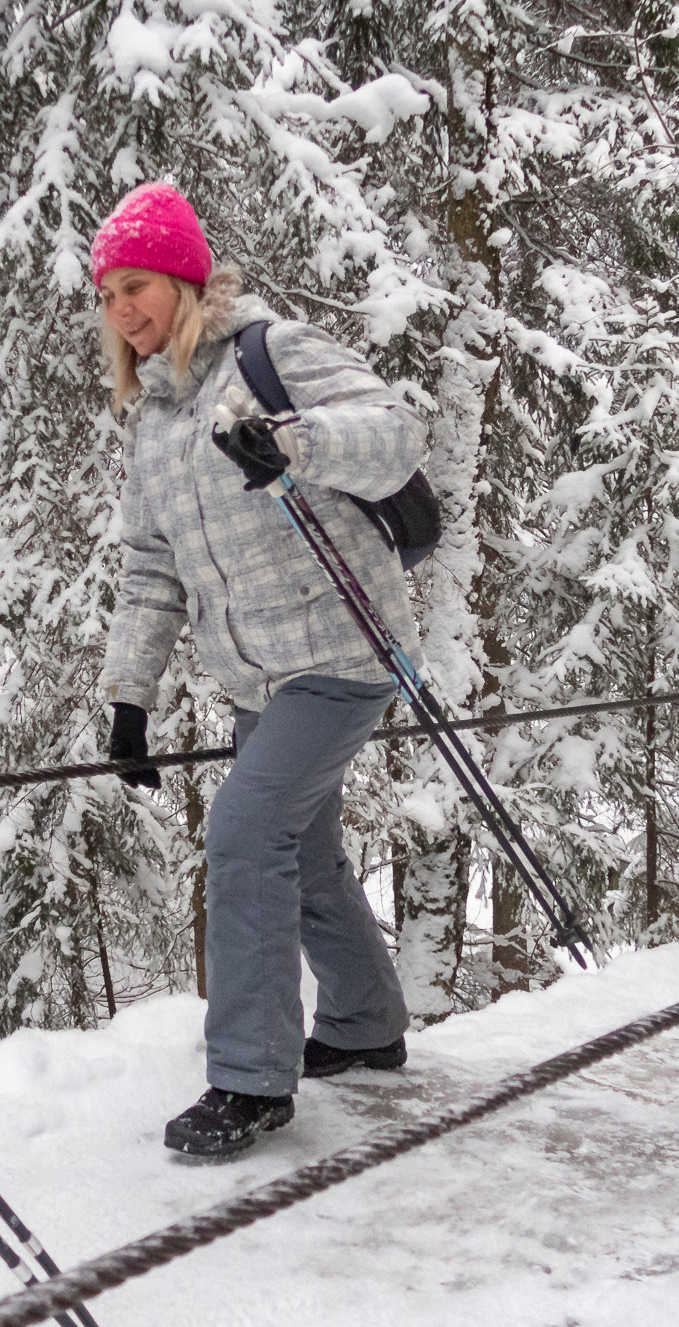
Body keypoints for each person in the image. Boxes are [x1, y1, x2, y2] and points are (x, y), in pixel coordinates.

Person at [93, 181, 420, 1158]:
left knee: (243, 828)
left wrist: (293, 442)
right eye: (107, 296)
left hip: (342, 653)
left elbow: (397, 432)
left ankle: (249, 1080)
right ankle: (363, 1027)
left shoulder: (270, 356)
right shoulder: (154, 422)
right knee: (301, 848)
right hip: (255, 680)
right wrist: (128, 699)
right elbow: (150, 567)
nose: (122, 311)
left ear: (187, 280)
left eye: (138, 286)